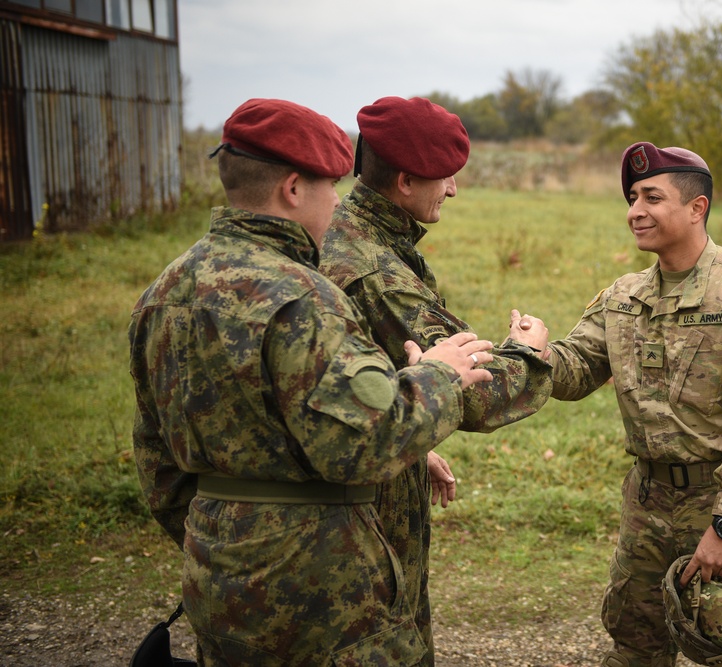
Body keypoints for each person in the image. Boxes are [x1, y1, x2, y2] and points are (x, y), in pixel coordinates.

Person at [128, 98, 498, 666]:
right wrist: (439, 375)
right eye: (330, 188)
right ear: (294, 189)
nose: (338, 204)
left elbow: (159, 461)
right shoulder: (303, 296)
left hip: (215, 576)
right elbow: (370, 439)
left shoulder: (162, 293)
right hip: (320, 592)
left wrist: (227, 536)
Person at [512, 142, 722, 666]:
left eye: (652, 196)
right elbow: (577, 369)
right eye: (631, 197)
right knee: (636, 646)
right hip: (647, 504)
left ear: (697, 208)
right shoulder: (623, 296)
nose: (635, 210)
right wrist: (537, 352)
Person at [318, 95, 552, 665]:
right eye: (446, 177)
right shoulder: (376, 268)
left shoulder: (350, 234)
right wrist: (528, 351)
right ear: (404, 181)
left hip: (365, 467)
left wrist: (409, 442)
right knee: (386, 638)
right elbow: (475, 389)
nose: (453, 189)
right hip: (364, 511)